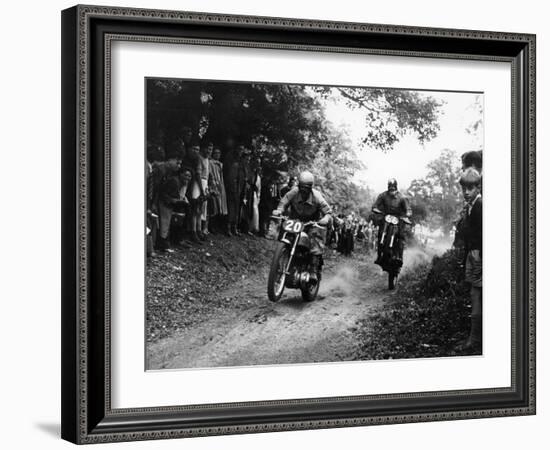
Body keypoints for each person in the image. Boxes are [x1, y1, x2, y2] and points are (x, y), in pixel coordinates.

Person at [273, 171, 332, 283]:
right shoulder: (294, 192)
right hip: (295, 222)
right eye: (301, 187)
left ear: (311, 187)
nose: (303, 190)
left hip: (311, 223)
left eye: (307, 187)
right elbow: (283, 202)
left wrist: (325, 218)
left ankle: (313, 269)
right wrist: (279, 210)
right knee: (283, 232)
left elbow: (328, 212)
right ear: (298, 185)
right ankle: (279, 262)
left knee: (316, 237)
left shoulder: (317, 197)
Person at [456, 167, 482, 353]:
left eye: (470, 188)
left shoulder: (480, 207)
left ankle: (474, 339)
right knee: (475, 294)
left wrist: (479, 251)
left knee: (476, 294)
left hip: (478, 255)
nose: (466, 192)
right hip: (472, 254)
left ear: (478, 187)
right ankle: (475, 337)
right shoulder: (471, 206)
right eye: (464, 188)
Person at [372, 178, 411, 264]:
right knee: (380, 232)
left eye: (393, 189)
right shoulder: (383, 195)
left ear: (396, 188)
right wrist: (376, 209)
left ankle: (400, 257)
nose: (391, 191)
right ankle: (379, 256)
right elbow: (375, 205)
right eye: (390, 188)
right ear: (388, 187)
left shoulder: (402, 197)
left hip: (398, 218)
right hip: (386, 216)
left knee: (401, 235)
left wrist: (407, 214)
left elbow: (408, 209)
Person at [208, 147, 228, 234]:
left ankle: (216, 226)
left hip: (220, 184)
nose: (217, 155)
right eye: (216, 153)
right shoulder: (210, 162)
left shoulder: (220, 164)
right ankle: (210, 226)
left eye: (219, 153)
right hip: (213, 184)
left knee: (220, 206)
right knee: (214, 205)